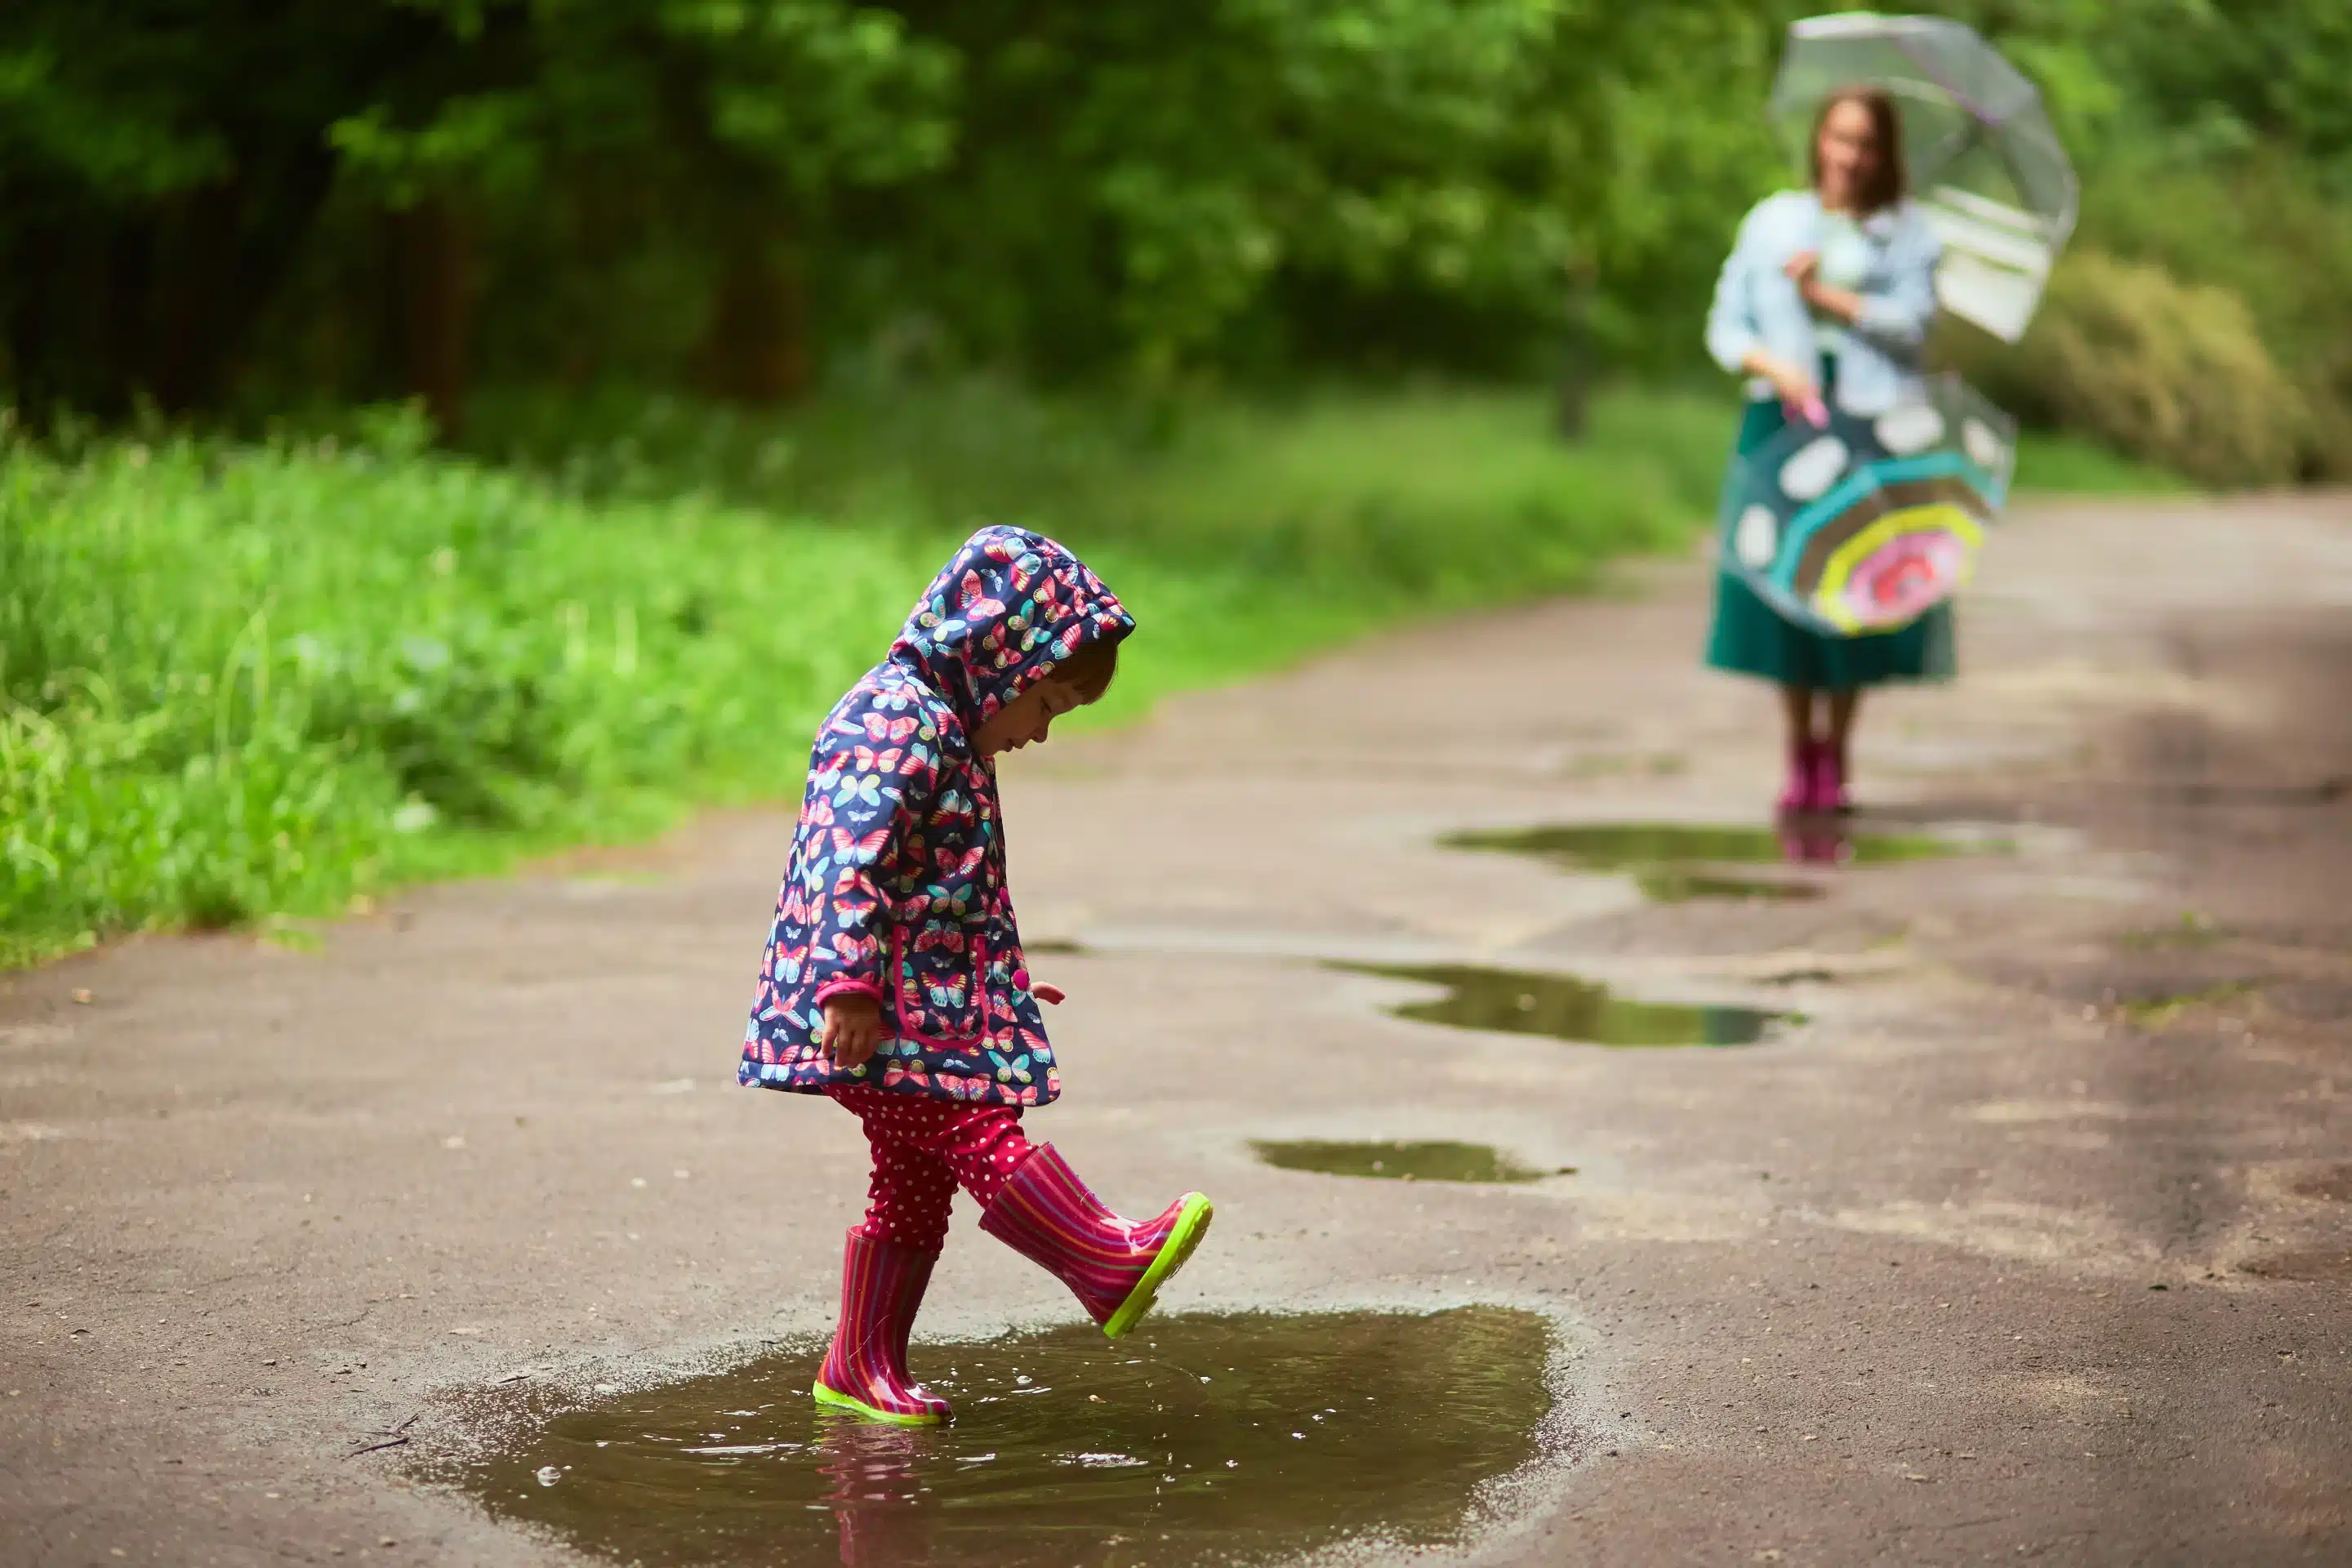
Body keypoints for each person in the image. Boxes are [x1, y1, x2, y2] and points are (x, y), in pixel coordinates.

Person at [739, 524, 1214, 1426]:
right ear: (997, 659)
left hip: (921, 1007)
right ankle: (1100, 1258)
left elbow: (940, 895)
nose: (1039, 731)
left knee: (911, 1189)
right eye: (1045, 704)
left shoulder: (950, 732)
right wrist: (847, 983)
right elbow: (847, 861)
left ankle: (859, 1365)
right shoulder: (893, 722)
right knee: (976, 1127)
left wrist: (993, 983)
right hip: (873, 1014)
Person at [1702, 85, 1949, 814]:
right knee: (1785, 587)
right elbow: (1726, 324)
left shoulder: (1909, 234)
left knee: (1854, 586)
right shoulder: (1774, 221)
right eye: (1838, 139)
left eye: (1865, 144)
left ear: (1885, 154)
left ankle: (1837, 749)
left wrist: (1830, 299)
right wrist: (1774, 365)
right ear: (1819, 140)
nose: (1848, 156)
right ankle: (1796, 749)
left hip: (1868, 423)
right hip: (1782, 421)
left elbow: (1915, 329)